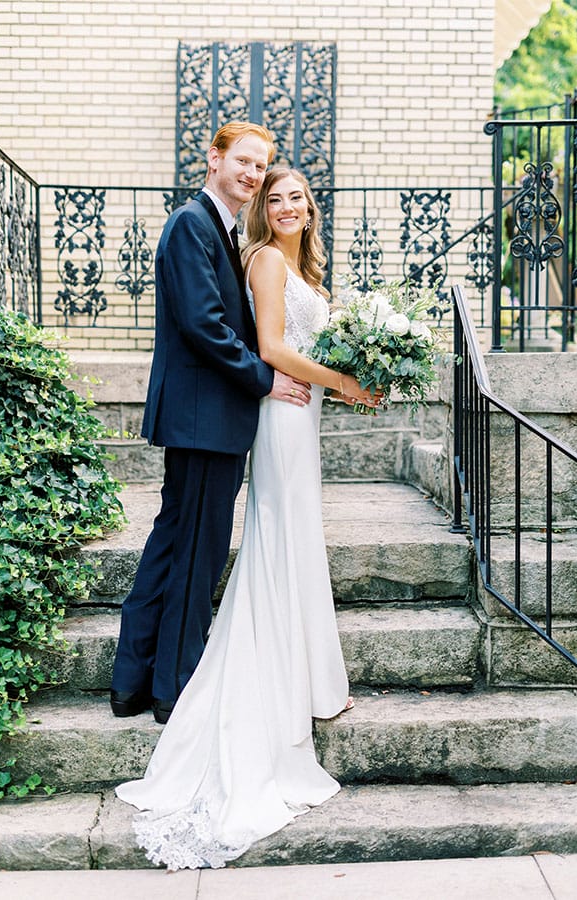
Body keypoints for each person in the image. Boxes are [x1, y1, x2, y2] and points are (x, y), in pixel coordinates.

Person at [115, 166, 379, 869]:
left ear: (312, 207)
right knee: (278, 540)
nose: (288, 205)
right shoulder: (262, 259)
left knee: (297, 540)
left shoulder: (302, 266)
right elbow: (271, 349)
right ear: (263, 206)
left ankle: (311, 678)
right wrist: (344, 382)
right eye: (277, 196)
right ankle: (281, 682)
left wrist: (352, 382)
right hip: (281, 418)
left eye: (298, 196)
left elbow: (311, 347)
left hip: (306, 416)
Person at [110, 124, 313, 726]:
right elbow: (205, 327)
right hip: (203, 418)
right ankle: (175, 690)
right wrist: (265, 378)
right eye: (245, 162)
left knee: (175, 545)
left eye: (262, 166)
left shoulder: (221, 230)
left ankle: (133, 681)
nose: (254, 175)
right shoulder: (190, 225)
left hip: (210, 418)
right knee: (195, 556)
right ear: (215, 158)